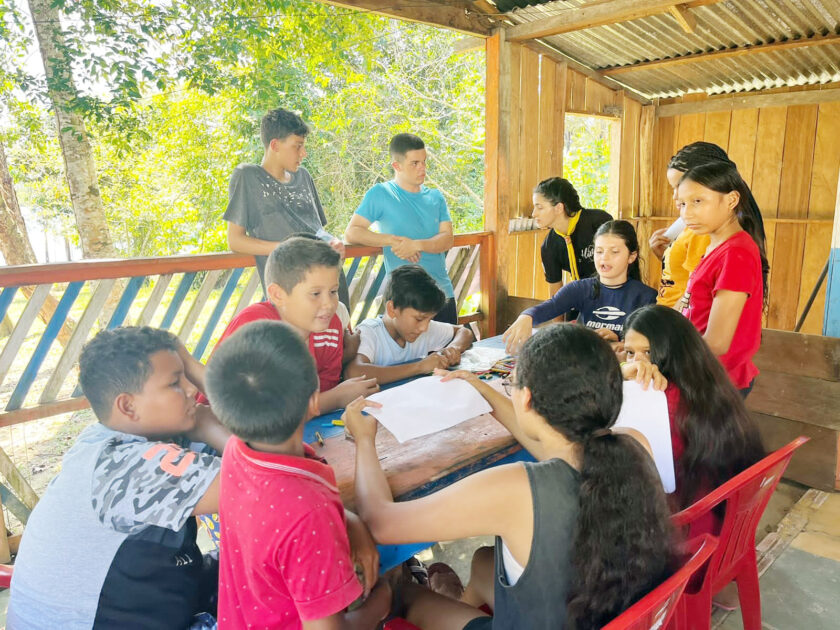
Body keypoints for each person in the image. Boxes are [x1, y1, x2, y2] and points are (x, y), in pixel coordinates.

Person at [344, 324, 675, 629]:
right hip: (602, 614)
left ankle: (440, 596)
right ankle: (462, 598)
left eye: (511, 384)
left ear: (526, 398)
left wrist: (363, 440)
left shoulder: (519, 488)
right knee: (483, 560)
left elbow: (381, 523)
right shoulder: (631, 444)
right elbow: (549, 442)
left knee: (402, 590)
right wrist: (484, 391)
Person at [8, 327, 230, 629]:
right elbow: (271, 487)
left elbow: (259, 433)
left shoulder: (132, 435)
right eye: (175, 383)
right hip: (98, 621)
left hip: (142, 601)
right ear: (128, 406)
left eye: (187, 375)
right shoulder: (126, 466)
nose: (193, 390)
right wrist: (208, 426)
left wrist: (188, 365)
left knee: (254, 565)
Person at [205, 320, 390, 628]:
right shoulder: (308, 512)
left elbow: (282, 518)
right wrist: (382, 603)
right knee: (399, 587)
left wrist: (351, 521)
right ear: (315, 400)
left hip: (247, 617)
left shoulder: (237, 451)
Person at [197, 237, 378, 412]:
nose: (329, 304)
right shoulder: (255, 328)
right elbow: (257, 412)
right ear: (278, 295)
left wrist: (330, 398)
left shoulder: (331, 327)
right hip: (218, 431)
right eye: (315, 294)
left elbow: (321, 391)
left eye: (333, 291)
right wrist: (336, 398)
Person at [223, 107, 349, 305]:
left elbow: (317, 231)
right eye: (297, 146)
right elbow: (235, 241)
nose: (304, 153)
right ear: (275, 145)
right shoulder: (247, 176)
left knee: (336, 335)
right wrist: (289, 249)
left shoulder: (304, 176)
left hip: (329, 282)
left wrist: (332, 241)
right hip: (291, 291)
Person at [674, 161, 769, 396]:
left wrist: (661, 349)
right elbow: (689, 303)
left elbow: (717, 342)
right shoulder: (715, 244)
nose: (687, 213)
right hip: (698, 373)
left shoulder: (736, 253)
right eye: (682, 204)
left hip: (717, 382)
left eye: (698, 201)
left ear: (731, 200)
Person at [344, 133, 457, 324]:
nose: (423, 168)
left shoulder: (436, 197)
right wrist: (391, 241)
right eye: (415, 163)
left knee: (450, 353)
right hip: (405, 299)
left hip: (442, 294)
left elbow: (447, 239)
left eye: (424, 161)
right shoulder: (381, 194)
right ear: (397, 166)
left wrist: (416, 245)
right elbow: (352, 232)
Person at [503, 220, 657, 355]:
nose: (604, 258)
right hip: (580, 365)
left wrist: (619, 340)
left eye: (614, 252)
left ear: (632, 256)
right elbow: (551, 306)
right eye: (599, 251)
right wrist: (526, 316)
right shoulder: (581, 288)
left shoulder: (646, 297)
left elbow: (649, 346)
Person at [345, 265, 474, 385]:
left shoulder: (421, 330)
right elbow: (353, 373)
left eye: (429, 320)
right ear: (392, 309)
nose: (424, 327)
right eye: (419, 319)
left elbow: (464, 332)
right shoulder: (370, 332)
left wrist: (454, 348)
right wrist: (419, 367)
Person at [531, 177, 612, 295]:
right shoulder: (549, 246)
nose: (533, 214)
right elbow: (556, 295)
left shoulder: (599, 222)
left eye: (540, 207)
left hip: (616, 294)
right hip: (584, 298)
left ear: (559, 208)